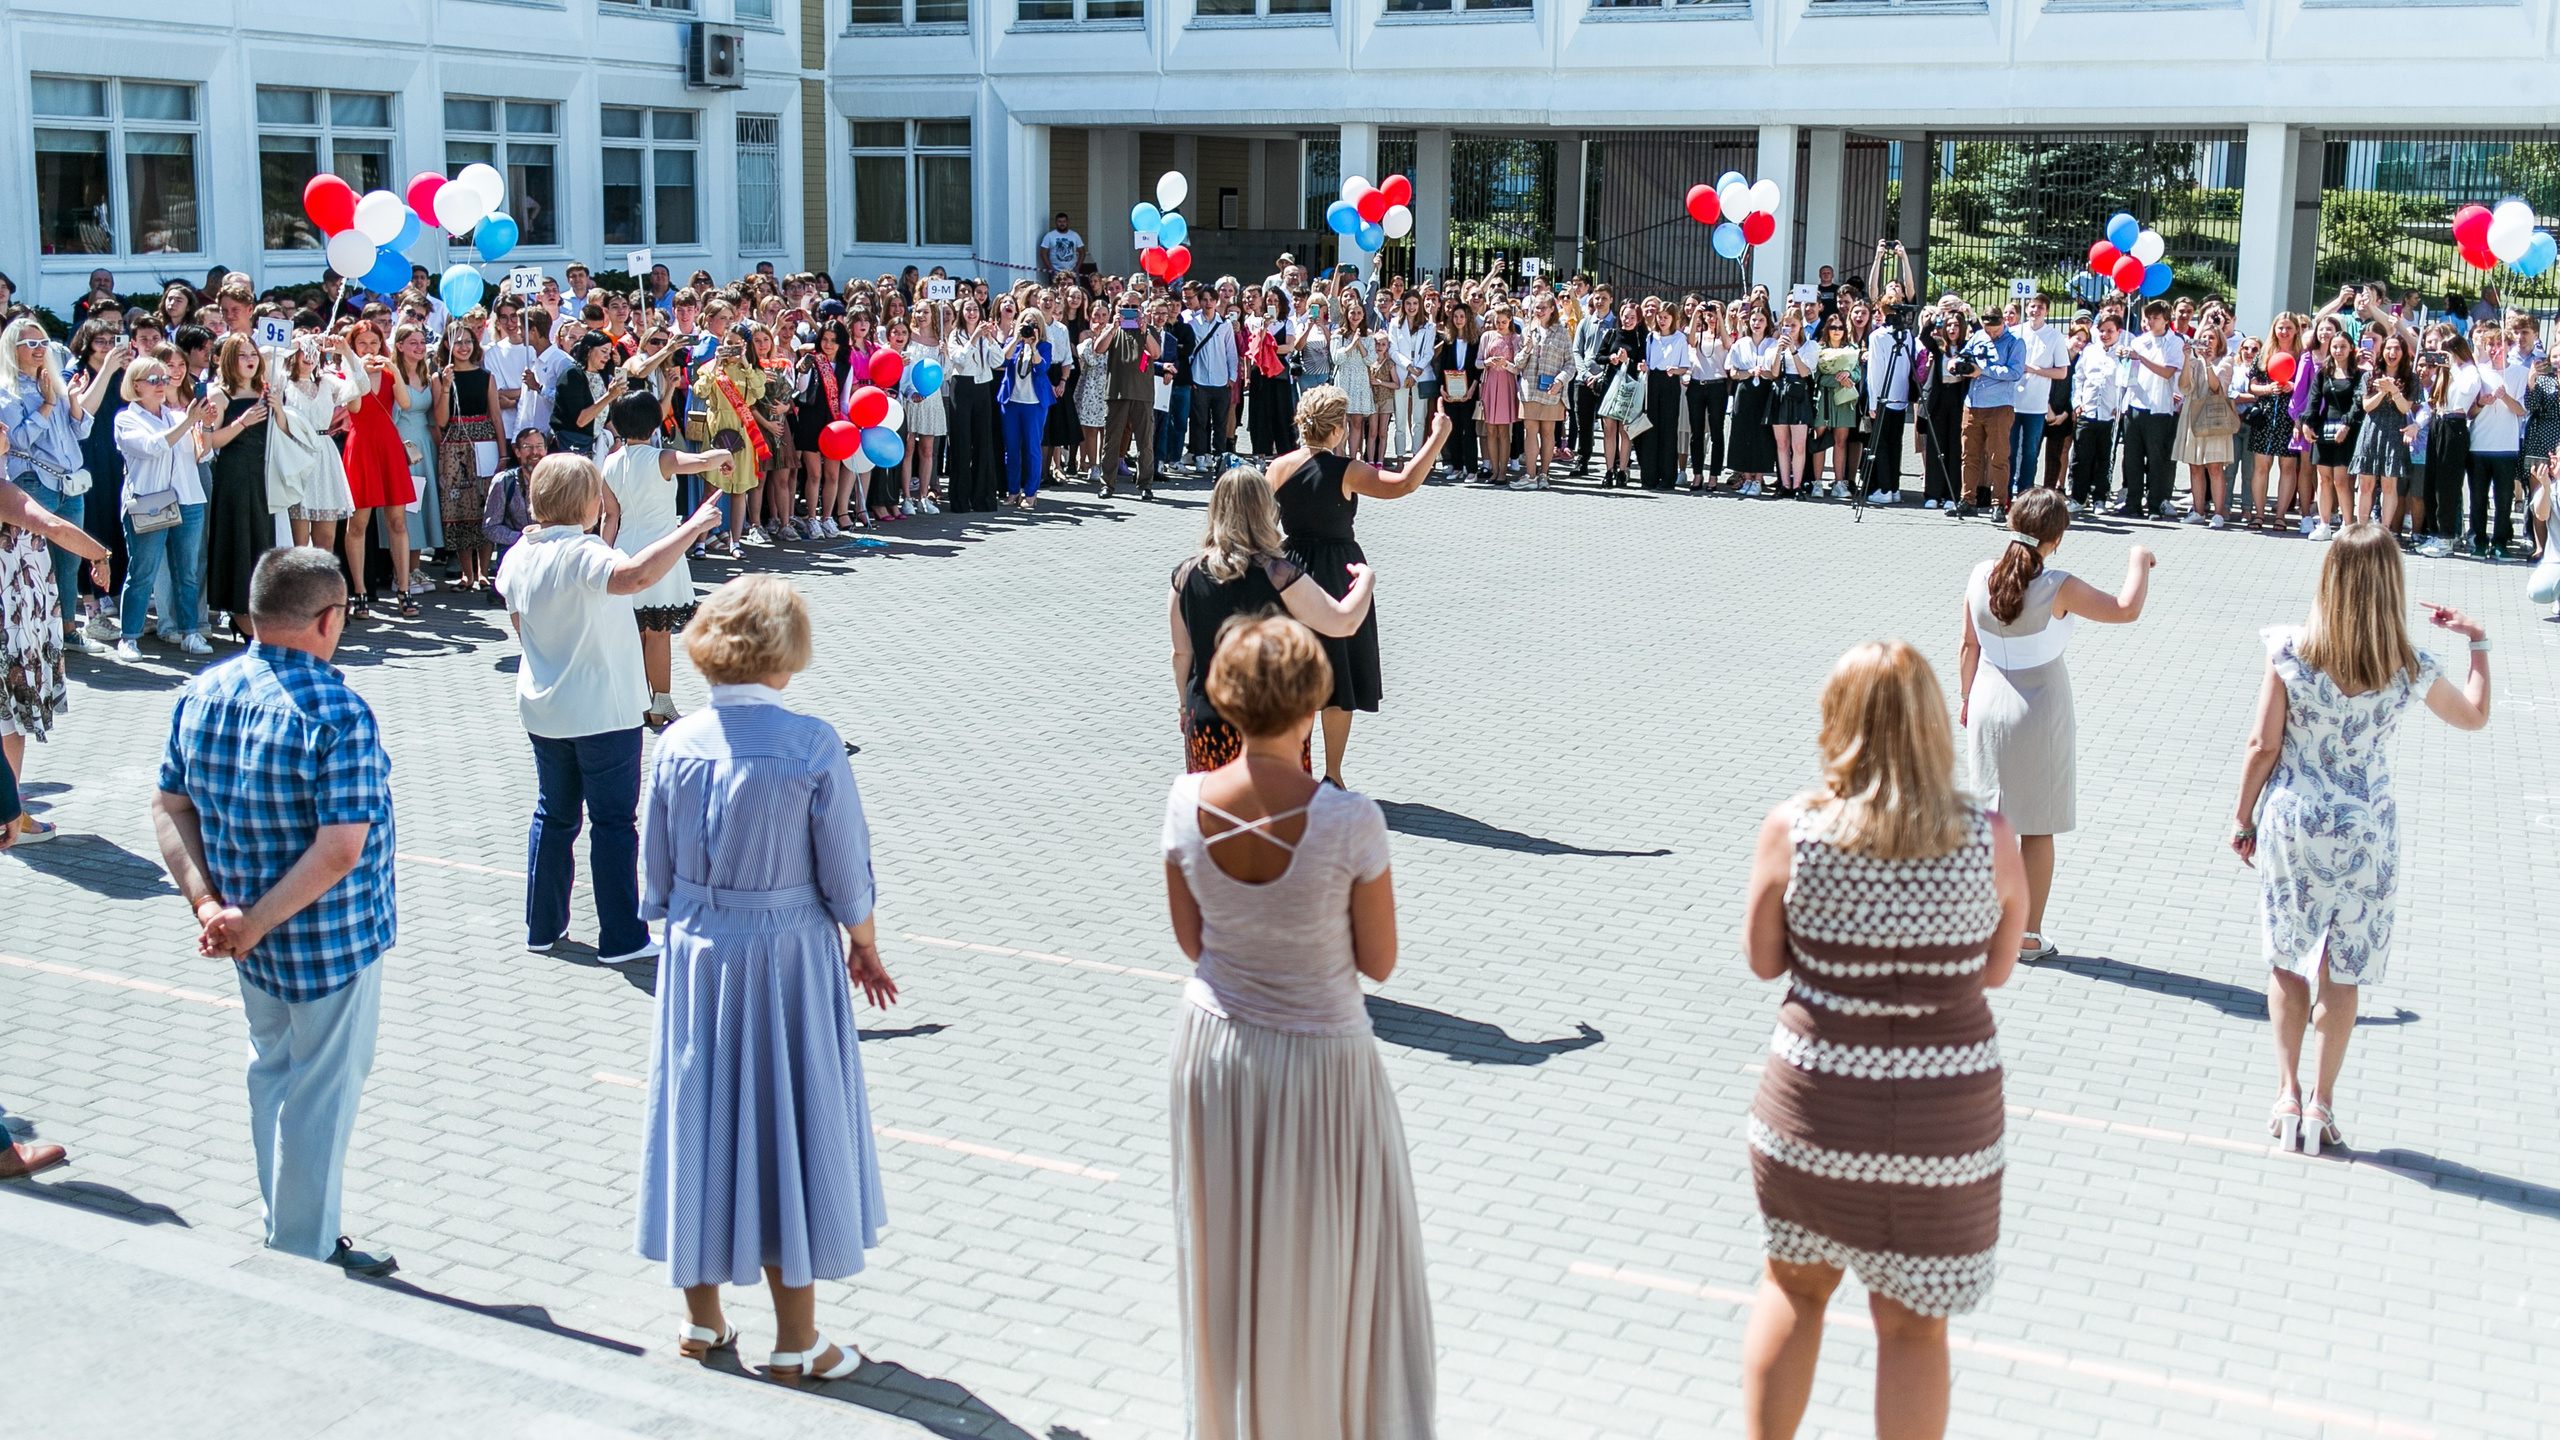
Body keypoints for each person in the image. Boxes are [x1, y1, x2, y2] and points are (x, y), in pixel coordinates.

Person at [1738, 639, 2026, 1440]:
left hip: (1813, 1110)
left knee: (1793, 1289)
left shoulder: (1795, 830)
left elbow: (1763, 960)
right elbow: (1998, 970)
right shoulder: (1989, 839)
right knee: (1913, 1328)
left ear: (1838, 721)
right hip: (1945, 1129)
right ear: (1933, 726)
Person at [1161, 613, 1435, 1438]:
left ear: (1227, 700)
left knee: (1231, 1260)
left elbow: (1193, 943)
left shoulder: (1184, 802)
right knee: (1336, 1260)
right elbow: (1379, 962)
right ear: (1312, 706)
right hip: (1321, 1059)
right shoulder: (1351, 822)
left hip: (1217, 1052)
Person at [636, 574, 896, 1383]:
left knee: (698, 1122)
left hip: (698, 951)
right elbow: (846, 871)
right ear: (784, 655)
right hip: (784, 955)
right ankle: (797, 1339)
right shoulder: (811, 744)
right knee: (789, 1124)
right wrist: (864, 943)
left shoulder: (676, 743)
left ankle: (702, 1320)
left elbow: (653, 874)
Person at [149, 546, 401, 1277]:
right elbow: (341, 849)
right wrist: (252, 920)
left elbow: (169, 806)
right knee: (321, 1094)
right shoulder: (339, 711)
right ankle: (302, 1249)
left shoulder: (203, 692)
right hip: (327, 941)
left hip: (244, 942)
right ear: (328, 620)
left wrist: (209, 906)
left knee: (272, 1075)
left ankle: (286, 1225)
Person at [2231, 526, 2489, 1155]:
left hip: (2295, 821)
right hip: (2367, 830)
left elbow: (2263, 745)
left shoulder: (2289, 649)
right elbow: (2475, 716)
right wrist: (2478, 641)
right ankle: (2322, 1106)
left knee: (2288, 960)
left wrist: (2242, 819)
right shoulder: (2407, 665)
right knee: (2342, 971)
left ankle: (2287, 1094)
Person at [498, 453, 724, 966]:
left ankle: (542, 927)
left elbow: (521, 627)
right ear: (586, 502)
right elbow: (637, 576)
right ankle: (622, 939)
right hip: (602, 711)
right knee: (613, 823)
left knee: (554, 815)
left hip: (544, 707)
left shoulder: (518, 555)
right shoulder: (584, 552)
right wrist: (691, 527)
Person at [1958, 490, 2154, 962]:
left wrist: (1964, 699)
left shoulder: (1980, 574)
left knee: (1994, 821)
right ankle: (2027, 935)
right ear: (2057, 539)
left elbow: (1968, 646)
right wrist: (2139, 559)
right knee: (2037, 826)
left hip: (1985, 700)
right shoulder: (2057, 585)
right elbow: (2126, 609)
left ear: (2011, 522)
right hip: (2039, 707)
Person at [1265, 386, 1452, 785]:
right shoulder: (1346, 470)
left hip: (1291, 571)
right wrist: (1437, 437)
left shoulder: (1277, 467)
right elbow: (1403, 483)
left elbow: (1265, 526)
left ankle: (1296, 772)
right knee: (1338, 675)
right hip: (1339, 573)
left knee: (1294, 676)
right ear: (1337, 429)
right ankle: (1332, 775)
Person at [1169, 467, 1375, 771]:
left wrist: (1184, 705)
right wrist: (1366, 580)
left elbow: (1181, 654)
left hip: (1208, 714)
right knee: (1279, 801)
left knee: (1212, 799)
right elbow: (1343, 622)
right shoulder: (1280, 573)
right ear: (1266, 509)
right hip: (1274, 719)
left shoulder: (1185, 575)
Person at [599, 395, 733, 729]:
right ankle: (661, 704)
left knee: (635, 633)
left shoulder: (610, 462)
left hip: (623, 552)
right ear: (654, 423)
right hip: (662, 552)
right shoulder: (662, 457)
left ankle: (639, 702)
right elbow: (702, 461)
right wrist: (727, 455)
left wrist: (602, 557)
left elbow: (610, 517)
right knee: (658, 634)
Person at [0, 476, 110, 845]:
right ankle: (9, 816)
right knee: (9, 722)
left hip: (12, 619)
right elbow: (52, 525)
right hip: (8, 626)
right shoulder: (1, 490)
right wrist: (99, 555)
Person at [111, 353, 215, 660]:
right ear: (135, 384)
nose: (161, 384)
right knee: (142, 572)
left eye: (164, 379)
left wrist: (206, 426)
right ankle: (129, 637)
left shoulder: (177, 416)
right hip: (150, 503)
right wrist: (190, 421)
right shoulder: (126, 418)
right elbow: (152, 447)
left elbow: (203, 455)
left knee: (188, 574)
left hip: (188, 500)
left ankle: (190, 633)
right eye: (153, 379)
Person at [338, 325, 418, 617]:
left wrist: (394, 370)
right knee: (358, 524)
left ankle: (404, 590)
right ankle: (359, 591)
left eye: (374, 342)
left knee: (397, 522)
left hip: (388, 446)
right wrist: (356, 370)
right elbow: (355, 408)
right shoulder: (347, 374)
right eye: (362, 343)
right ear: (353, 346)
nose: (369, 348)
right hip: (361, 447)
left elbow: (405, 403)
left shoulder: (388, 372)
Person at [199, 336, 273, 639]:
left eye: (253, 354)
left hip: (264, 475)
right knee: (239, 541)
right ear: (230, 359)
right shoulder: (219, 394)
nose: (250, 359)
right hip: (235, 476)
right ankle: (239, 611)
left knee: (261, 542)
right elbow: (210, 443)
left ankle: (258, 612)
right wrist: (243, 422)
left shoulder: (266, 391)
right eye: (242, 355)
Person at [2118, 300, 2185, 520]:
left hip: (2159, 407)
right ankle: (2133, 502)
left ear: (2166, 320)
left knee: (2157, 459)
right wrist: (2124, 357)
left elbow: (2167, 372)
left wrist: (2140, 358)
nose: (2151, 322)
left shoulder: (2174, 342)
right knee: (2133, 457)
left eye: (2156, 318)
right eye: (2148, 318)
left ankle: (2155, 504)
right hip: (2135, 403)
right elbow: (2128, 372)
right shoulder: (2139, 341)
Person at [998, 309, 1058, 510]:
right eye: (1026, 323)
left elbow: (1042, 369)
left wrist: (1033, 347)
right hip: (1011, 402)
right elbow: (1002, 360)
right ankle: (1013, 490)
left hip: (1034, 404)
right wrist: (1017, 339)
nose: (1029, 328)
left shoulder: (1044, 346)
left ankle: (1031, 493)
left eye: (1034, 324)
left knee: (1032, 448)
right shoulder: (1012, 342)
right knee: (1011, 449)